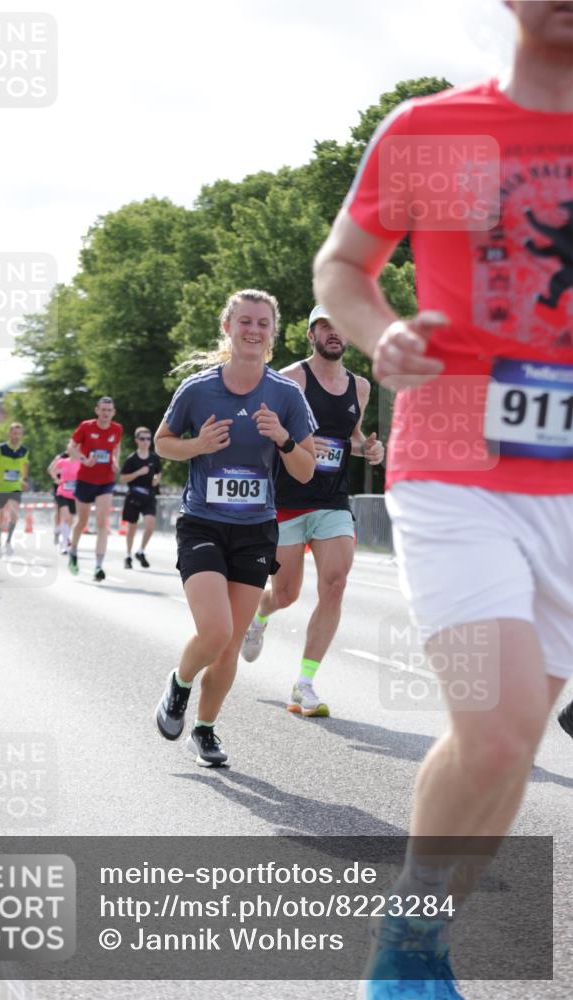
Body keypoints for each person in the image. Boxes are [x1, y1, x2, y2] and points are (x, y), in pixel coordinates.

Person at [313, 3, 572, 995]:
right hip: (457, 464)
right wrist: (378, 333)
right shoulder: (434, 132)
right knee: (502, 726)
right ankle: (408, 950)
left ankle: (424, 921)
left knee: (499, 748)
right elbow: (341, 265)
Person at [153, 289, 317, 767]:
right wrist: (198, 444)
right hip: (203, 521)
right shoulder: (198, 389)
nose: (253, 330)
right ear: (228, 328)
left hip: (255, 530)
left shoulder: (285, 395)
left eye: (263, 323)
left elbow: (306, 471)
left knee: (227, 651)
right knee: (217, 631)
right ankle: (178, 686)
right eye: (244, 321)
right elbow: (164, 444)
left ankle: (204, 731)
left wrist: (284, 439)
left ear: (273, 333)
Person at [241, 304, 384, 716]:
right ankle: (259, 616)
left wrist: (370, 449)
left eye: (340, 326)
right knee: (285, 594)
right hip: (286, 500)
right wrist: (293, 446)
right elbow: (262, 432)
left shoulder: (360, 386)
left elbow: (350, 438)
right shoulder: (290, 380)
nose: (334, 332)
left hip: (332, 500)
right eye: (325, 327)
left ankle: (304, 683)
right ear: (311, 335)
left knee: (335, 583)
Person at [68, 397, 123, 581]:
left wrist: (115, 461)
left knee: (102, 522)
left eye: (109, 410)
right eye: (103, 410)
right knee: (82, 522)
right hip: (85, 480)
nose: (106, 413)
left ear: (113, 412)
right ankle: (73, 551)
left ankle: (98, 566)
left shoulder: (117, 429)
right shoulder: (86, 426)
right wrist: (84, 460)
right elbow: (71, 448)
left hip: (105, 482)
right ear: (97, 410)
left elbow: (116, 447)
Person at [119, 426, 162, 568]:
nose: (146, 441)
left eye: (148, 439)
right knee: (132, 527)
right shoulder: (132, 459)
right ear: (137, 440)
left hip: (149, 495)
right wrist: (138, 473)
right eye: (142, 439)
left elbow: (158, 472)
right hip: (134, 496)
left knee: (150, 525)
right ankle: (128, 555)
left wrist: (156, 478)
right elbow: (123, 478)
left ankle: (141, 551)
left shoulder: (154, 458)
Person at [0, 423, 29, 558]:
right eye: (14, 433)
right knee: (0, 516)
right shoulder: (0, 449)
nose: (17, 436)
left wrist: (23, 479)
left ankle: (8, 542)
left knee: (14, 515)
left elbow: (25, 464)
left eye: (19, 433)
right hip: (0, 487)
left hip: (15, 488)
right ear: (9, 434)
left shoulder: (24, 450)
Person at [48, 442, 80, 554]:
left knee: (70, 520)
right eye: (73, 447)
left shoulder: (82, 463)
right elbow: (52, 470)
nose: (75, 449)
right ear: (69, 448)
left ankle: (64, 537)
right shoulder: (62, 460)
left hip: (74, 495)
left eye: (77, 447)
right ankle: (63, 544)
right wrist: (56, 479)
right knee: (65, 516)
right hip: (62, 493)